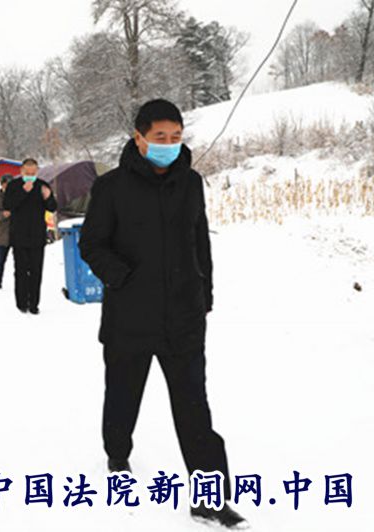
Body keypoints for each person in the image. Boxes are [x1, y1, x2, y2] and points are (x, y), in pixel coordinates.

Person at [78, 100, 247, 529]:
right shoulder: (111, 187)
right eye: (160, 137)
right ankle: (118, 454)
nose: (169, 144)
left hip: (183, 318)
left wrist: (204, 294)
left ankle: (210, 500)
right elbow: (91, 244)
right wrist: (123, 278)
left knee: (195, 412)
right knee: (122, 397)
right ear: (139, 138)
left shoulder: (190, 183)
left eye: (176, 137)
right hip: (129, 318)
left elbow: (199, 242)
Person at [3, 158, 57, 314]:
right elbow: (8, 205)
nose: (30, 176)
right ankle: (21, 303)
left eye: (33, 173)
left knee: (36, 271)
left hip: (37, 236)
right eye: (27, 173)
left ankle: (34, 304)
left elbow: (52, 208)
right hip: (19, 236)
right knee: (20, 271)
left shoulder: (42, 185)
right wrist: (23, 191)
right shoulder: (13, 185)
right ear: (21, 171)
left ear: (37, 171)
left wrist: (48, 197)